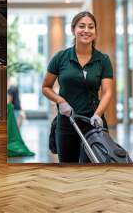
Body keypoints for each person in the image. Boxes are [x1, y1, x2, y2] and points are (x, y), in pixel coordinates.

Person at [42, 11, 113, 163]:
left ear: (95, 31)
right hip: (67, 123)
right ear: (73, 29)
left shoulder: (103, 60)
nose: (86, 30)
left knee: (93, 167)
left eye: (91, 27)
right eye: (81, 26)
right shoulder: (61, 58)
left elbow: (107, 92)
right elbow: (46, 87)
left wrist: (98, 114)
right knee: (68, 168)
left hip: (93, 123)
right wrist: (61, 101)